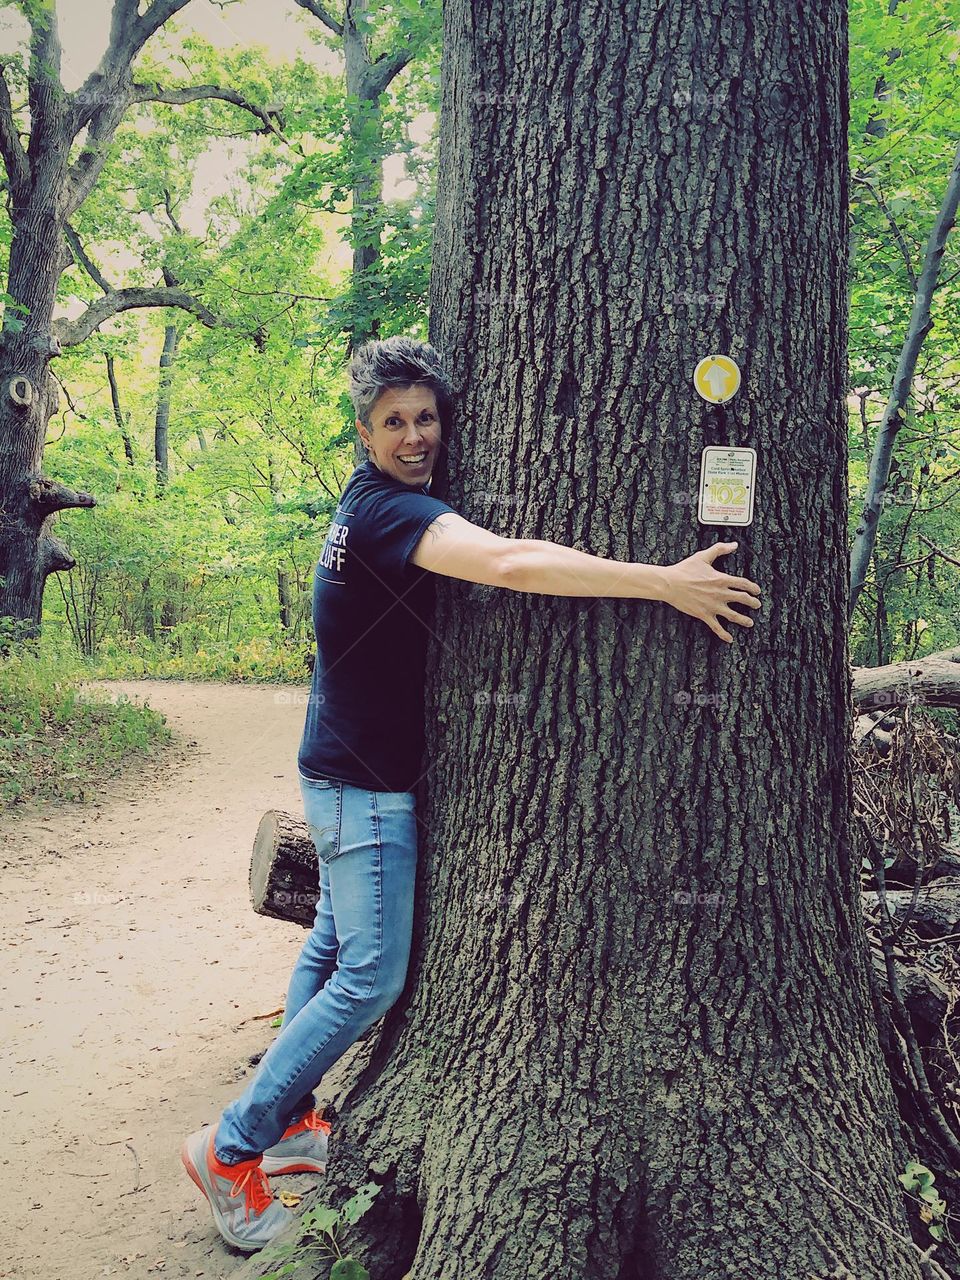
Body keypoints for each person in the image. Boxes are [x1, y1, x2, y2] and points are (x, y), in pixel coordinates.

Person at [181, 336, 762, 1252]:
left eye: (426, 417)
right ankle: (232, 1145)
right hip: (363, 787)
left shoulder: (365, 504)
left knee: (334, 945)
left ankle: (288, 1120)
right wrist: (665, 584)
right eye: (394, 422)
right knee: (369, 979)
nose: (417, 436)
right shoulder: (388, 513)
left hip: (339, 768)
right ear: (364, 433)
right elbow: (510, 564)